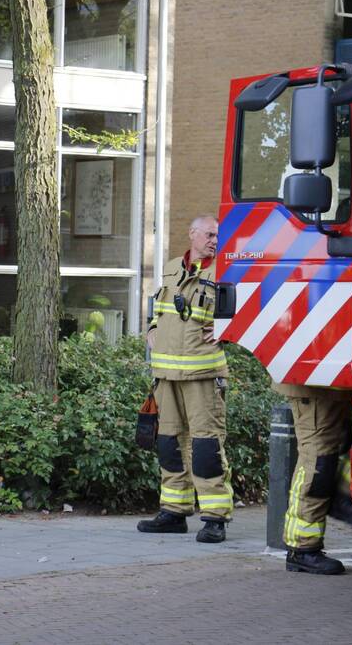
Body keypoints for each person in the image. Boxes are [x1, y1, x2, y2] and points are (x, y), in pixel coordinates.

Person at [137, 215, 232, 543]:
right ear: (192, 233)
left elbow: (246, 310)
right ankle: (173, 512)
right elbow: (158, 308)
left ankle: (215, 518)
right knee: (169, 444)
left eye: (217, 236)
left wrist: (227, 331)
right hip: (165, 373)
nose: (214, 240)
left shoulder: (226, 271)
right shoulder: (171, 266)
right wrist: (151, 329)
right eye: (208, 234)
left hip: (202, 374)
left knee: (205, 445)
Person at [273, 383, 352, 575]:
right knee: (317, 462)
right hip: (314, 384)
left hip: (342, 383)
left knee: (348, 445)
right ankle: (301, 548)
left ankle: (337, 496)